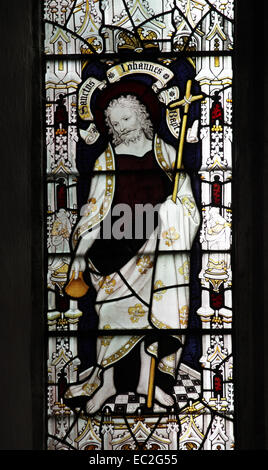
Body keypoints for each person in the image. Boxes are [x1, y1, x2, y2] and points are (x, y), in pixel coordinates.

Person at [64, 94, 200, 414]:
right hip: (114, 250)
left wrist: (174, 212)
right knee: (111, 318)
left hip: (157, 245)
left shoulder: (166, 153)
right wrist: (80, 258)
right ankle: (107, 384)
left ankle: (145, 381)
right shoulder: (105, 161)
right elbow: (92, 214)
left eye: (126, 119)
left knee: (154, 318)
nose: (120, 127)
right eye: (113, 123)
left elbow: (188, 205)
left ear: (140, 117)